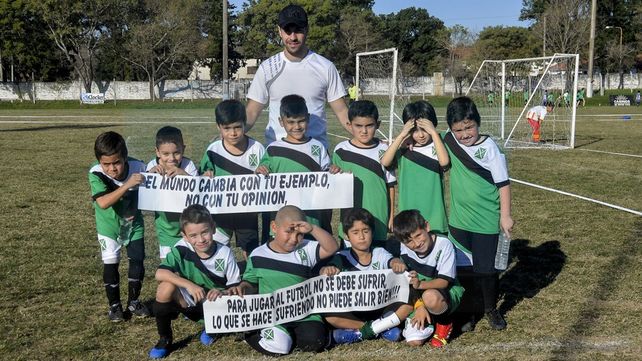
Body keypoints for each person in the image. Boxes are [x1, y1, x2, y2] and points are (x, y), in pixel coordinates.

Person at [442, 96, 513, 332]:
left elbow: (503, 184)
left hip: (486, 221)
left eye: (469, 127)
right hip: (459, 220)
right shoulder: (449, 140)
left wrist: (505, 216)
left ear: (478, 123)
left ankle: (490, 309)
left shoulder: (490, 148)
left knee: (486, 270)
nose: (464, 134)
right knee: (463, 269)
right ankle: (469, 311)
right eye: (458, 130)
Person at [228, 205, 339, 356]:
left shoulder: (306, 249)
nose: (294, 239)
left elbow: (332, 247)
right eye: (288, 231)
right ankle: (250, 334)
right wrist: (242, 288)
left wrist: (312, 228)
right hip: (273, 314)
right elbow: (251, 283)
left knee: (314, 342)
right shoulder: (258, 254)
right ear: (274, 227)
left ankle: (292, 336)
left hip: (304, 313)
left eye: (299, 234)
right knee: (280, 348)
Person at [245, 4, 352, 148]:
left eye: (298, 30)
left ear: (307, 30)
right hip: (278, 154)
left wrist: (367, 138)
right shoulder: (267, 67)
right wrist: (229, 134)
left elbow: (342, 111)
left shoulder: (325, 67)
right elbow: (252, 111)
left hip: (316, 154)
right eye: (288, 31)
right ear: (279, 31)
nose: (293, 37)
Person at [148, 204, 241, 359]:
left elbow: (235, 289)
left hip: (216, 305)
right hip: (191, 300)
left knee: (220, 308)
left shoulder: (225, 253)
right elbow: (160, 273)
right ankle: (165, 339)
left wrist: (222, 292)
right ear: (184, 236)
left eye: (205, 232)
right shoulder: (181, 248)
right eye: (193, 236)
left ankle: (212, 327)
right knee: (165, 287)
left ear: (213, 228)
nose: (201, 240)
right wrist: (189, 285)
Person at [320, 208, 412, 344]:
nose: (361, 237)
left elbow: (392, 261)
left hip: (380, 308)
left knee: (408, 304)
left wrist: (396, 263)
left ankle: (362, 333)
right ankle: (379, 329)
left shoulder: (379, 252)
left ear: (372, 232)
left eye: (365, 231)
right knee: (330, 314)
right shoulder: (342, 256)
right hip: (353, 311)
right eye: (355, 232)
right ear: (346, 236)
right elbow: (327, 269)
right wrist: (327, 270)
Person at [88, 131, 150, 321]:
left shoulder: (140, 166)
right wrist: (127, 185)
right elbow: (103, 203)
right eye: (106, 164)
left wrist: (156, 172)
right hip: (109, 227)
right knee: (111, 263)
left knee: (137, 260)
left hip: (134, 224)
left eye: (117, 162)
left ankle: (133, 301)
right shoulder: (96, 173)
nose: (112, 168)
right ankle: (114, 306)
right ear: (100, 161)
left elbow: (157, 182)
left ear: (125, 157)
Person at [255, 94, 336, 236]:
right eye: (291, 122)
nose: (297, 126)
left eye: (301, 121)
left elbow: (327, 177)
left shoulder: (318, 147)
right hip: (282, 216)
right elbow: (262, 174)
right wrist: (260, 170)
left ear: (308, 118)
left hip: (311, 217)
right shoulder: (274, 149)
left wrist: (333, 171)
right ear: (281, 122)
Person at [200, 99, 265, 259]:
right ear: (218, 127)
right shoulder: (213, 150)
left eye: (237, 127)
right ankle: (221, 277)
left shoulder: (257, 148)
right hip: (220, 212)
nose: (233, 133)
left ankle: (250, 279)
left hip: (247, 212)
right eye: (227, 128)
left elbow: (267, 174)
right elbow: (202, 177)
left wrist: (264, 170)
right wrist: (205, 175)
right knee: (217, 248)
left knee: (250, 251)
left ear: (244, 124)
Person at [390, 210, 465, 347]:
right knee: (414, 342)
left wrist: (420, 288)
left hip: (442, 291)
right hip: (418, 296)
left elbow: (444, 282)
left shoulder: (444, 244)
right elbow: (407, 279)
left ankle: (444, 322)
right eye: (409, 241)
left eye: (418, 235)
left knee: (431, 297)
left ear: (427, 227)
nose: (416, 243)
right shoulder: (404, 247)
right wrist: (419, 305)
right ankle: (427, 319)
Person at [381, 100, 449, 235]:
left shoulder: (440, 142)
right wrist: (402, 136)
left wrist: (434, 133)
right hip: (409, 215)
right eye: (415, 131)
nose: (421, 135)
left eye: (424, 129)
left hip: (435, 215)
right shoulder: (404, 147)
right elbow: (385, 162)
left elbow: (444, 162)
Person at [332, 100, 396, 245]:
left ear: (377, 125)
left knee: (378, 258)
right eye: (358, 126)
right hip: (350, 219)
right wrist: (334, 173)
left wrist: (391, 216)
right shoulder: (341, 150)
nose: (364, 131)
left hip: (378, 216)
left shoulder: (384, 150)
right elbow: (333, 188)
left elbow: (390, 186)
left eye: (369, 125)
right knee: (350, 262)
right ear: (349, 125)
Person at [147, 126, 199, 260]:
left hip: (189, 225)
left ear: (183, 149)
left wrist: (184, 174)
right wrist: (150, 174)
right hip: (166, 228)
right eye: (166, 154)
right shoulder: (152, 166)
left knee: (189, 264)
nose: (172, 158)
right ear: (157, 152)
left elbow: (199, 192)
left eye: (176, 153)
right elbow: (146, 196)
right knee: (168, 265)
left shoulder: (188, 165)